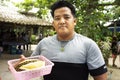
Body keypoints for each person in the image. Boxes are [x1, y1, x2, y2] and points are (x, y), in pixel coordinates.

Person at [13, 1, 107, 80]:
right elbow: (30, 69)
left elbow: (101, 77)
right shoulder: (43, 44)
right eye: (57, 18)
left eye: (66, 17)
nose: (62, 21)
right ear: (53, 23)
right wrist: (18, 66)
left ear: (74, 21)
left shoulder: (88, 45)